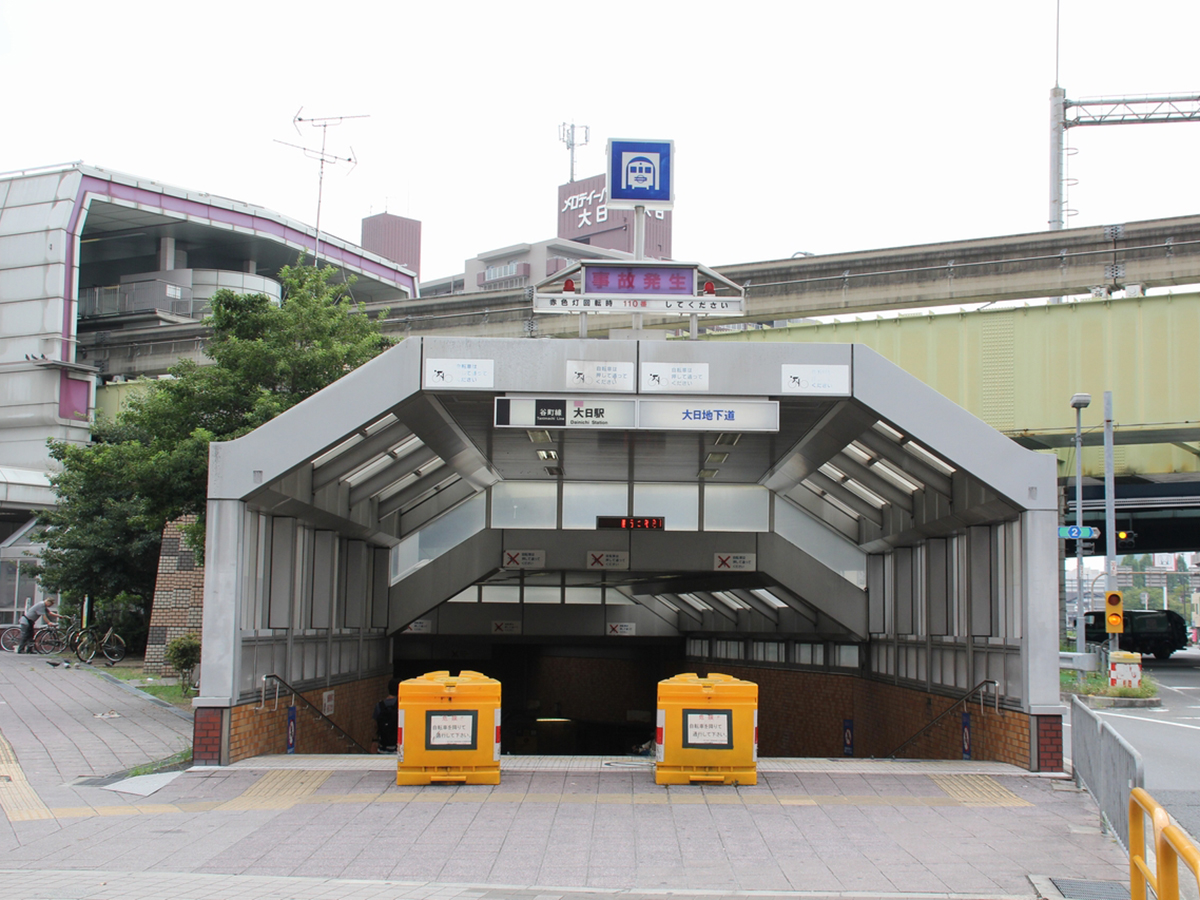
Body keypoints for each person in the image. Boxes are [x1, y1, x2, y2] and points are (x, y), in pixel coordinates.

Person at [372, 677, 400, 753]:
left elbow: (375, 726)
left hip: (383, 746)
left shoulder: (379, 705)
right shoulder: (400, 705)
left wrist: (374, 741)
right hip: (397, 747)